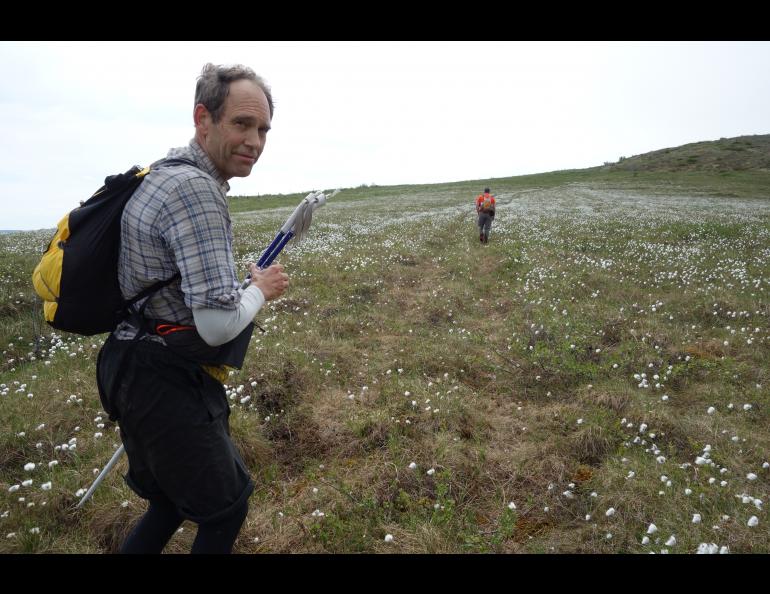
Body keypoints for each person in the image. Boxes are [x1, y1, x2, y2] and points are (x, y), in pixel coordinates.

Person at [96, 63, 289, 554]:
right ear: (204, 118)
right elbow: (218, 324)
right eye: (241, 124)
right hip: (163, 381)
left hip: (130, 364)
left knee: (167, 502)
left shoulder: (163, 173)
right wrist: (259, 290)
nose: (255, 141)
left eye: (263, 129)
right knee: (226, 509)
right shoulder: (196, 192)